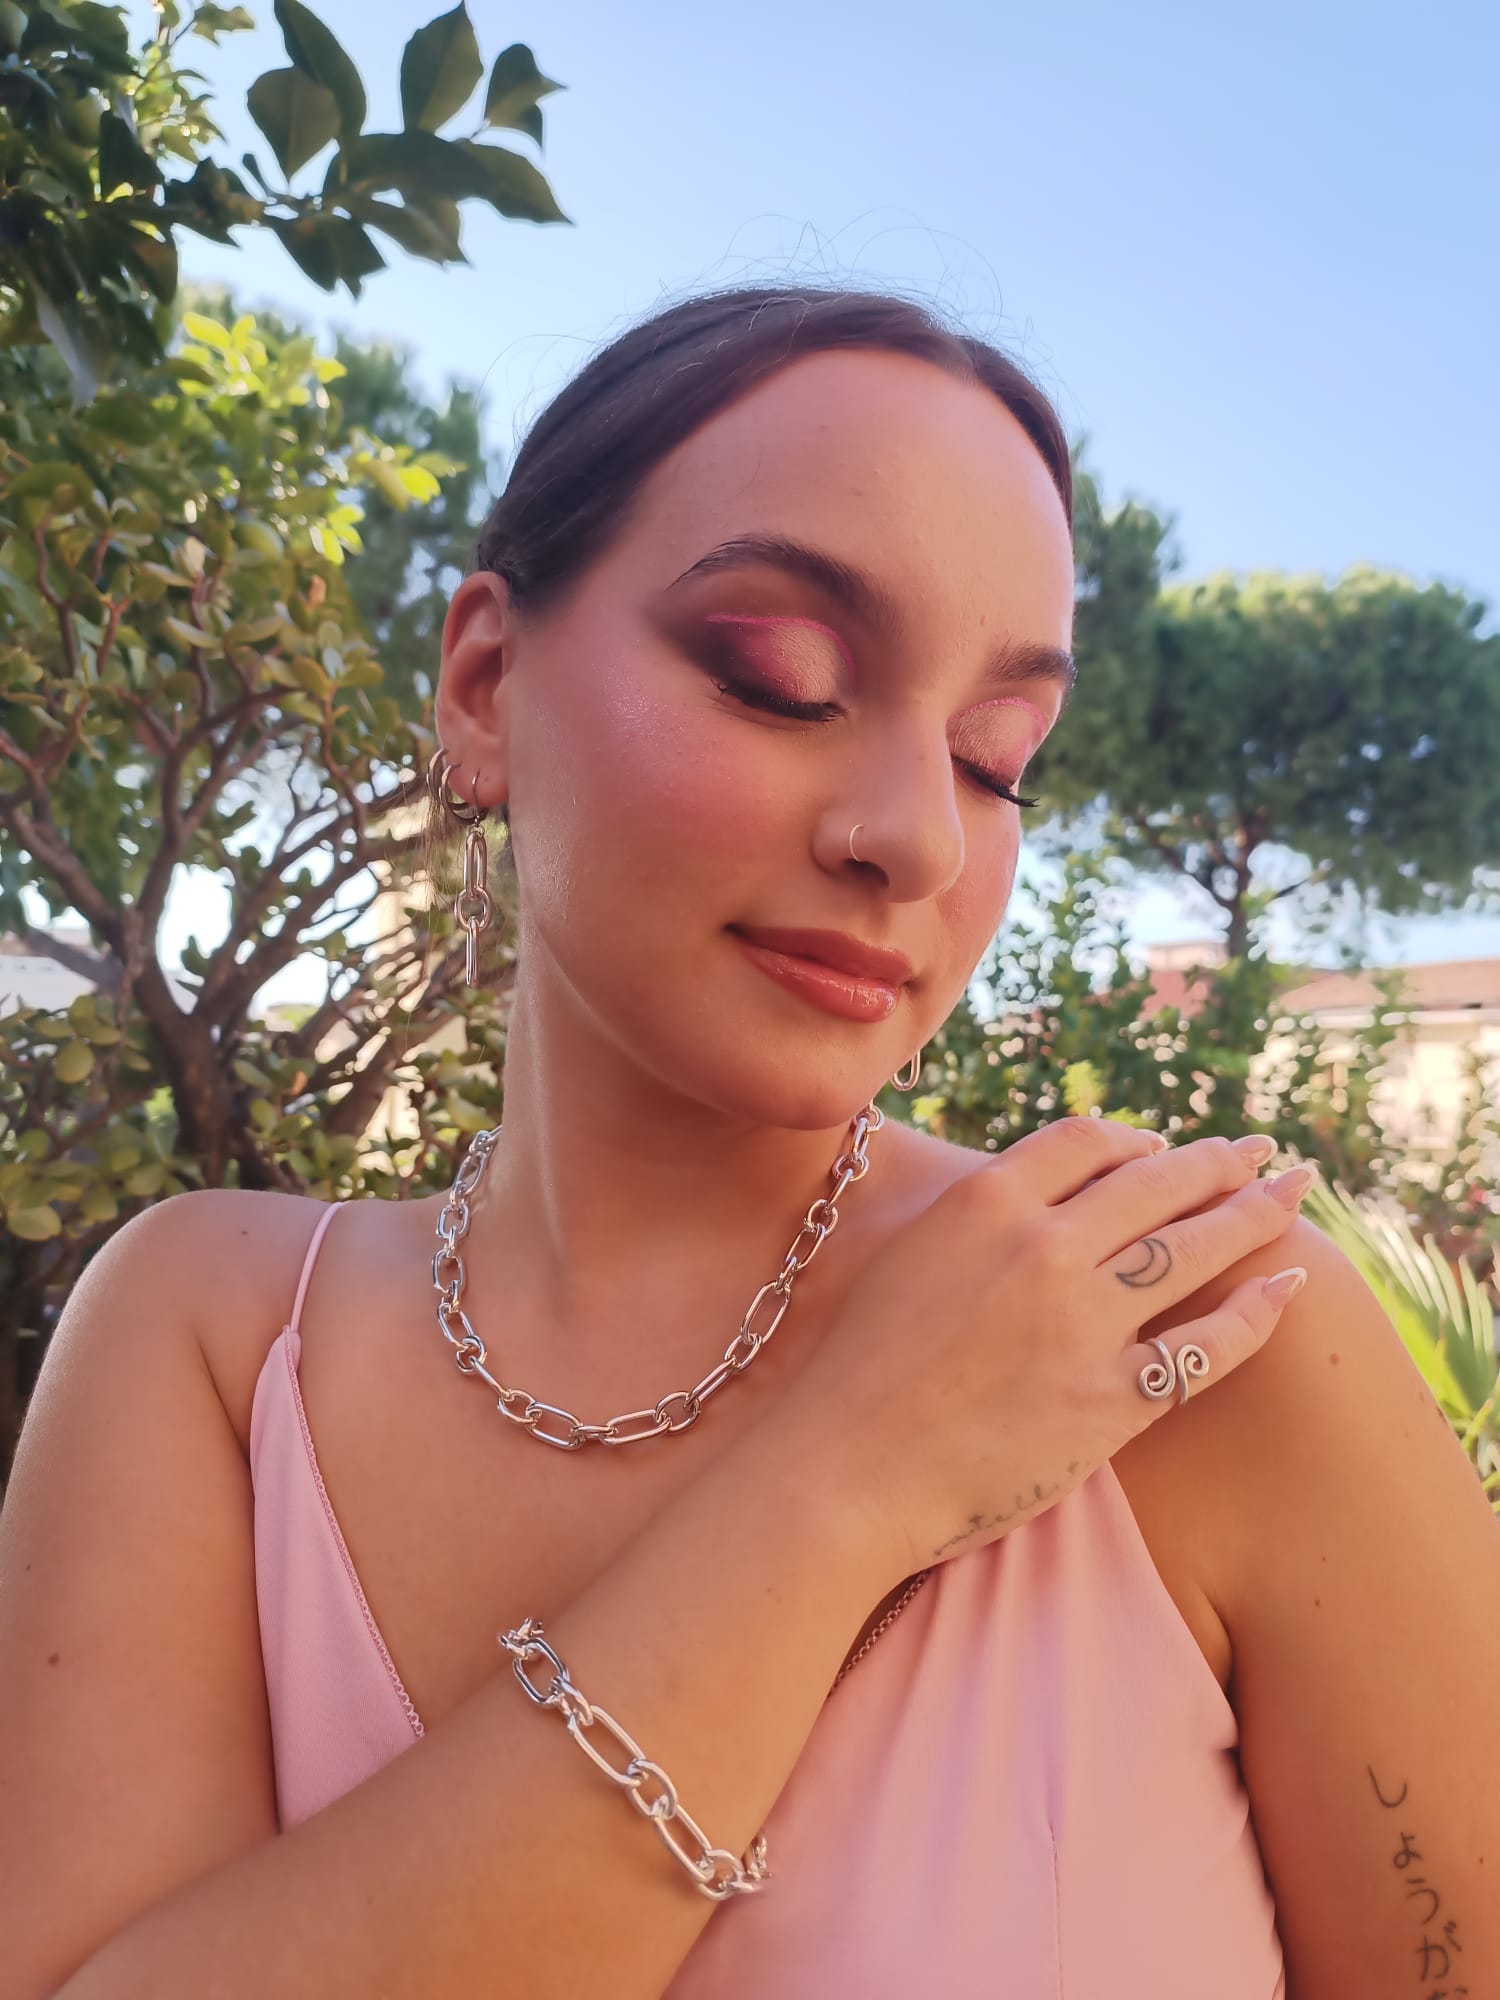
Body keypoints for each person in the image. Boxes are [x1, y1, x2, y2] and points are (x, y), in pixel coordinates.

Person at [2, 285, 1496, 2000]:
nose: (919, 838)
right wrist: (848, 1481)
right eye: (781, 678)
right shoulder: (212, 1337)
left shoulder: (1196, 1336)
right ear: (485, 686)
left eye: (995, 758)